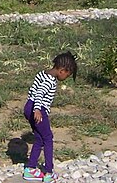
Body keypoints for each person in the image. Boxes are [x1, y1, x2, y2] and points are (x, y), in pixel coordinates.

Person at [21, 52, 78, 182]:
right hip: (38, 109)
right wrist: (37, 110)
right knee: (48, 138)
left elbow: (34, 91)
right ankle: (48, 172)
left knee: (39, 138)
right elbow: (40, 93)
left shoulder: (42, 74)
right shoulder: (50, 80)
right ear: (62, 70)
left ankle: (30, 169)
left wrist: (33, 108)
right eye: (67, 75)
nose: (65, 78)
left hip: (28, 107)